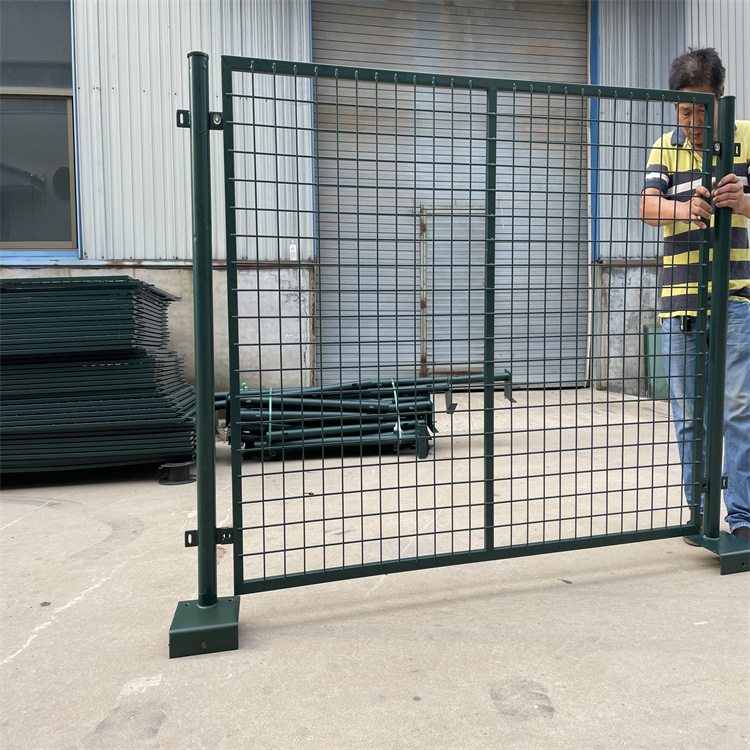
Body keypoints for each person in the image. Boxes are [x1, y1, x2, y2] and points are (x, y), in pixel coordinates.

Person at [639, 47, 750, 543]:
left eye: (702, 110)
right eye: (685, 112)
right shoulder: (664, 147)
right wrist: (685, 208)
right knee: (689, 417)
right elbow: (647, 207)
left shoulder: (746, 136)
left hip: (736, 298)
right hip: (679, 302)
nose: (693, 123)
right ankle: (699, 516)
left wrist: (742, 201)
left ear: (721, 96)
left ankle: (742, 517)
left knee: (738, 411)